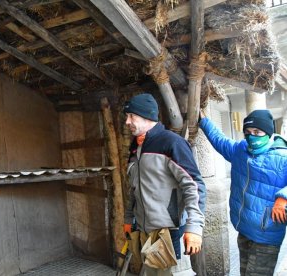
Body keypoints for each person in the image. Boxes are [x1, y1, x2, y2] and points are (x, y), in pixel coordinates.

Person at [123, 93, 206, 275]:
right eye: (127, 117)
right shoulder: (136, 147)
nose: (127, 122)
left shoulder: (171, 142)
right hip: (145, 231)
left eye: (131, 116)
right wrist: (129, 219)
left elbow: (194, 185)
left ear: (147, 116)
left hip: (168, 232)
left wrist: (194, 227)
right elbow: (134, 189)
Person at [199, 109, 287, 275]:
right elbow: (220, 141)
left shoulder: (283, 157)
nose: (251, 136)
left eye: (257, 132)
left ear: (268, 132)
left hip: (266, 235)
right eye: (247, 132)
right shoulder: (241, 150)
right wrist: (203, 120)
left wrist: (283, 198)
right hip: (243, 229)